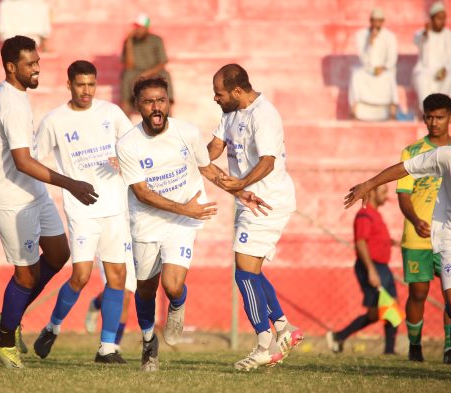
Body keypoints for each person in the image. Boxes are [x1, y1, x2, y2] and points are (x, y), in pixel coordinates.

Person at [116, 76, 268, 372]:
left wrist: (239, 191)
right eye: (149, 102)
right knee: (145, 289)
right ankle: (148, 342)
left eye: (161, 100)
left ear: (168, 102)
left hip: (183, 220)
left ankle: (177, 304)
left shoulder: (186, 132)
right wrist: (184, 208)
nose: (156, 107)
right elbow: (142, 193)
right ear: (138, 105)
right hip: (146, 221)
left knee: (172, 285)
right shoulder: (128, 144)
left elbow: (207, 168)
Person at [0, 36, 98, 369]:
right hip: (12, 199)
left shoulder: (11, 94)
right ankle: (4, 339)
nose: (37, 68)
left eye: (37, 62)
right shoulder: (11, 103)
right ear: (11, 67)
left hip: (33, 193)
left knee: (59, 254)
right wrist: (70, 184)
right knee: (26, 276)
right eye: (30, 64)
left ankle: (9, 315)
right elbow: (22, 161)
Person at [33, 60, 135, 363]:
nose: (87, 90)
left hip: (115, 208)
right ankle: (53, 327)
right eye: (81, 85)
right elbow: (33, 160)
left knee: (117, 277)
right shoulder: (54, 121)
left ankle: (107, 348)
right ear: (69, 85)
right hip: (81, 210)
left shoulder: (111, 113)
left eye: (91, 84)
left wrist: (123, 158)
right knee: (80, 276)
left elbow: (135, 145)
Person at [207, 64, 304, 371]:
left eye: (219, 93)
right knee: (252, 270)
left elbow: (268, 162)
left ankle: (265, 345)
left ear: (237, 91)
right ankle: (284, 328)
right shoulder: (230, 112)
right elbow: (213, 149)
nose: (215, 98)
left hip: (266, 202)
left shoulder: (264, 116)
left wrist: (241, 184)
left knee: (244, 273)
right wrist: (185, 154)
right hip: (248, 200)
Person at [344, 128, 451, 366]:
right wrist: (369, 184)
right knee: (419, 295)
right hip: (446, 237)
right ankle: (414, 346)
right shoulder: (445, 155)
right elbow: (405, 168)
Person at [396, 92, 451, 363]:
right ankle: (415, 346)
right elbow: (403, 195)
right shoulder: (412, 151)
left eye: (440, 117)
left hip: (447, 235)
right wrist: (415, 219)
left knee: (449, 295)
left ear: (449, 118)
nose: (434, 122)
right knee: (418, 293)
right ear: (423, 118)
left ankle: (449, 348)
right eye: (429, 117)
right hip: (418, 235)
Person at [326, 184, 398, 355]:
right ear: (371, 192)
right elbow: (361, 243)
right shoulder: (365, 215)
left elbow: (375, 239)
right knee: (378, 311)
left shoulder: (376, 214)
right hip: (371, 266)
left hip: (382, 267)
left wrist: (392, 242)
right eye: (383, 192)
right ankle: (339, 336)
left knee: (389, 308)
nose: (386, 196)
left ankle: (389, 351)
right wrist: (371, 270)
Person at [348, 7, 398, 121]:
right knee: (356, 75)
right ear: (370, 21)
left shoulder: (390, 36)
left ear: (382, 21)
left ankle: (392, 112)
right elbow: (363, 60)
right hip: (367, 70)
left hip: (384, 70)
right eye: (374, 21)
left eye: (379, 21)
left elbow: (392, 59)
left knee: (390, 77)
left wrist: (383, 68)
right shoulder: (361, 35)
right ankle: (354, 111)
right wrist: (370, 42)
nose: (376, 24)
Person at [120, 13, 173, 115]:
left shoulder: (156, 40)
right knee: (126, 75)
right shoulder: (129, 41)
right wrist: (129, 42)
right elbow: (129, 65)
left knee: (165, 75)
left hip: (153, 71)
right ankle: (125, 118)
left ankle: (168, 116)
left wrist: (144, 74)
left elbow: (162, 63)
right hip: (135, 73)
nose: (137, 30)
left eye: (140, 27)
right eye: (136, 27)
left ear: (147, 28)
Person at [84, 258, 134, 353]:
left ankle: (115, 344)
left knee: (125, 295)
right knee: (116, 289)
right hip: (110, 251)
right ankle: (96, 304)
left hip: (130, 253)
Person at [412, 2, 451, 112]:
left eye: (443, 18)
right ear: (432, 19)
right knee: (421, 78)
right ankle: (427, 112)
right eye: (439, 18)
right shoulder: (422, 33)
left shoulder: (449, 35)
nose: (442, 21)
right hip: (426, 71)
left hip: (444, 72)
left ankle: (447, 112)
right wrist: (426, 33)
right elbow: (417, 40)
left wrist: (445, 69)